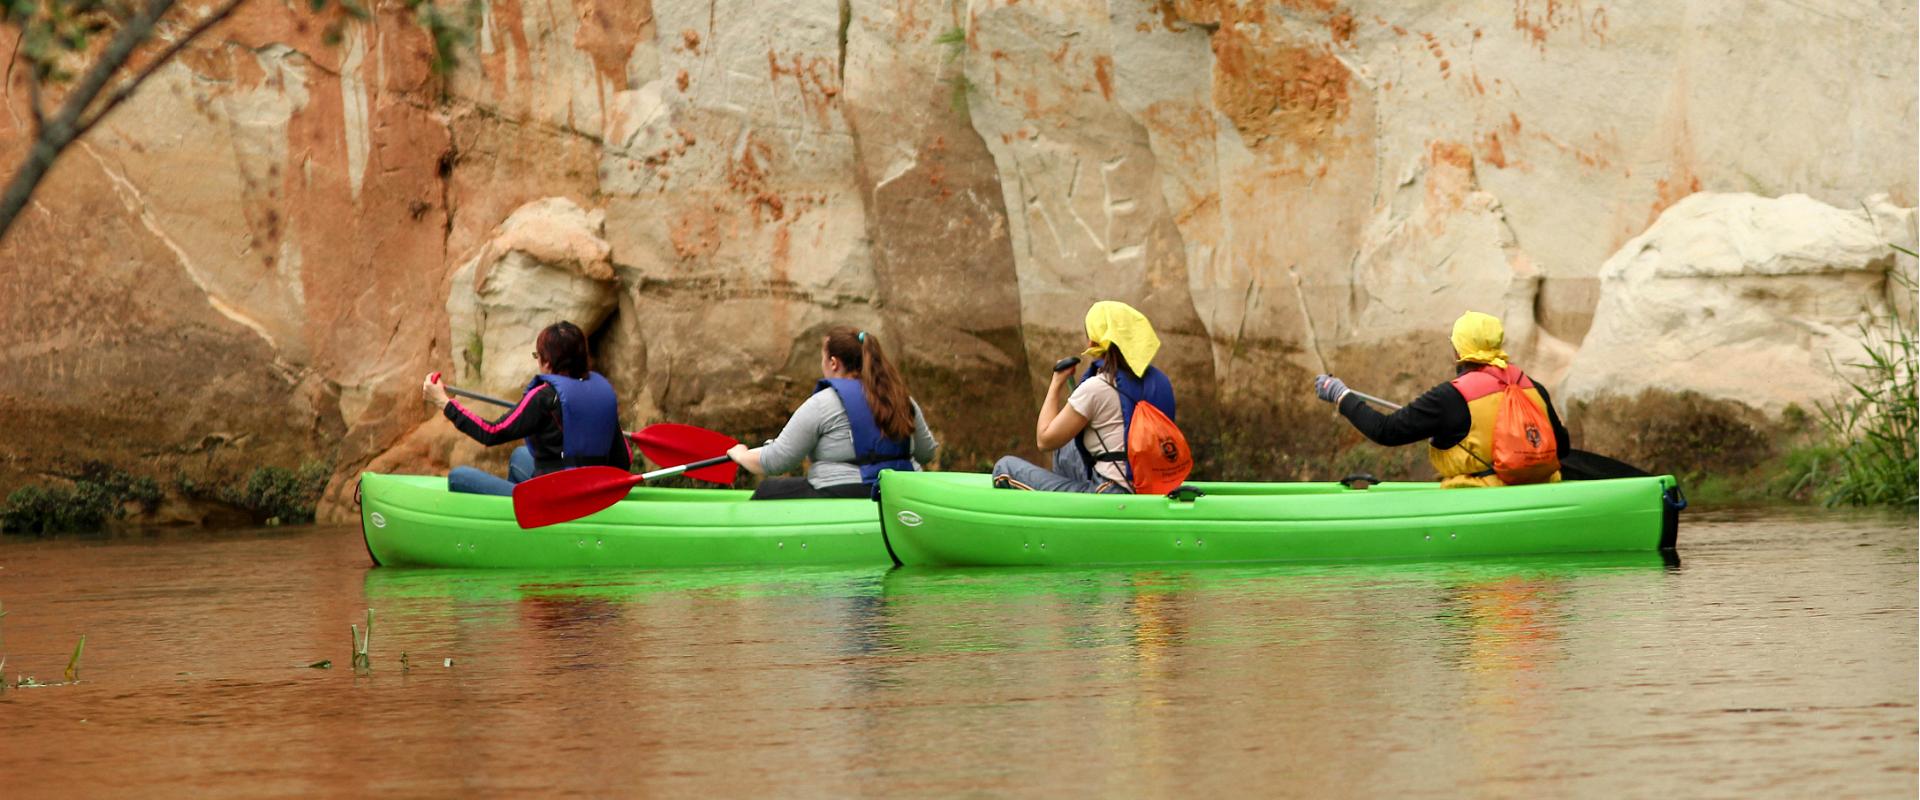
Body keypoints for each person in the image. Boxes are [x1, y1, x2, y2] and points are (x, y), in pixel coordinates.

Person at [1313, 310, 1569, 488]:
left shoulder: (1451, 397)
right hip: (1541, 490)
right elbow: (1563, 447)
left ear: (1458, 350)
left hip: (1481, 498)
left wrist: (1341, 396)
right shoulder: (1532, 387)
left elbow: (1386, 431)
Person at [725, 327, 939, 499]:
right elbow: (926, 453)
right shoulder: (901, 399)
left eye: (823, 358)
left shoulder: (823, 404)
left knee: (767, 491)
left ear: (834, 363)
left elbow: (777, 462)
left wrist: (741, 454)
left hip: (845, 495)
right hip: (900, 496)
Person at [422, 321, 631, 496]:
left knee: (459, 477)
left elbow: (491, 433)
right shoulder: (601, 392)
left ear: (547, 362)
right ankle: (515, 519)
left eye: (537, 356)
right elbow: (623, 461)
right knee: (520, 456)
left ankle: (523, 514)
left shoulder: (543, 397)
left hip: (560, 499)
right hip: (594, 490)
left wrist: (443, 402)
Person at [991, 300, 1177, 494]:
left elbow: (1044, 440)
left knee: (1004, 468)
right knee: (1067, 446)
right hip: (1153, 488)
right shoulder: (1161, 383)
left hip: (1110, 492)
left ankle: (1066, 516)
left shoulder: (1096, 387)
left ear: (1093, 343)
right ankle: (1068, 512)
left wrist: (1056, 383)